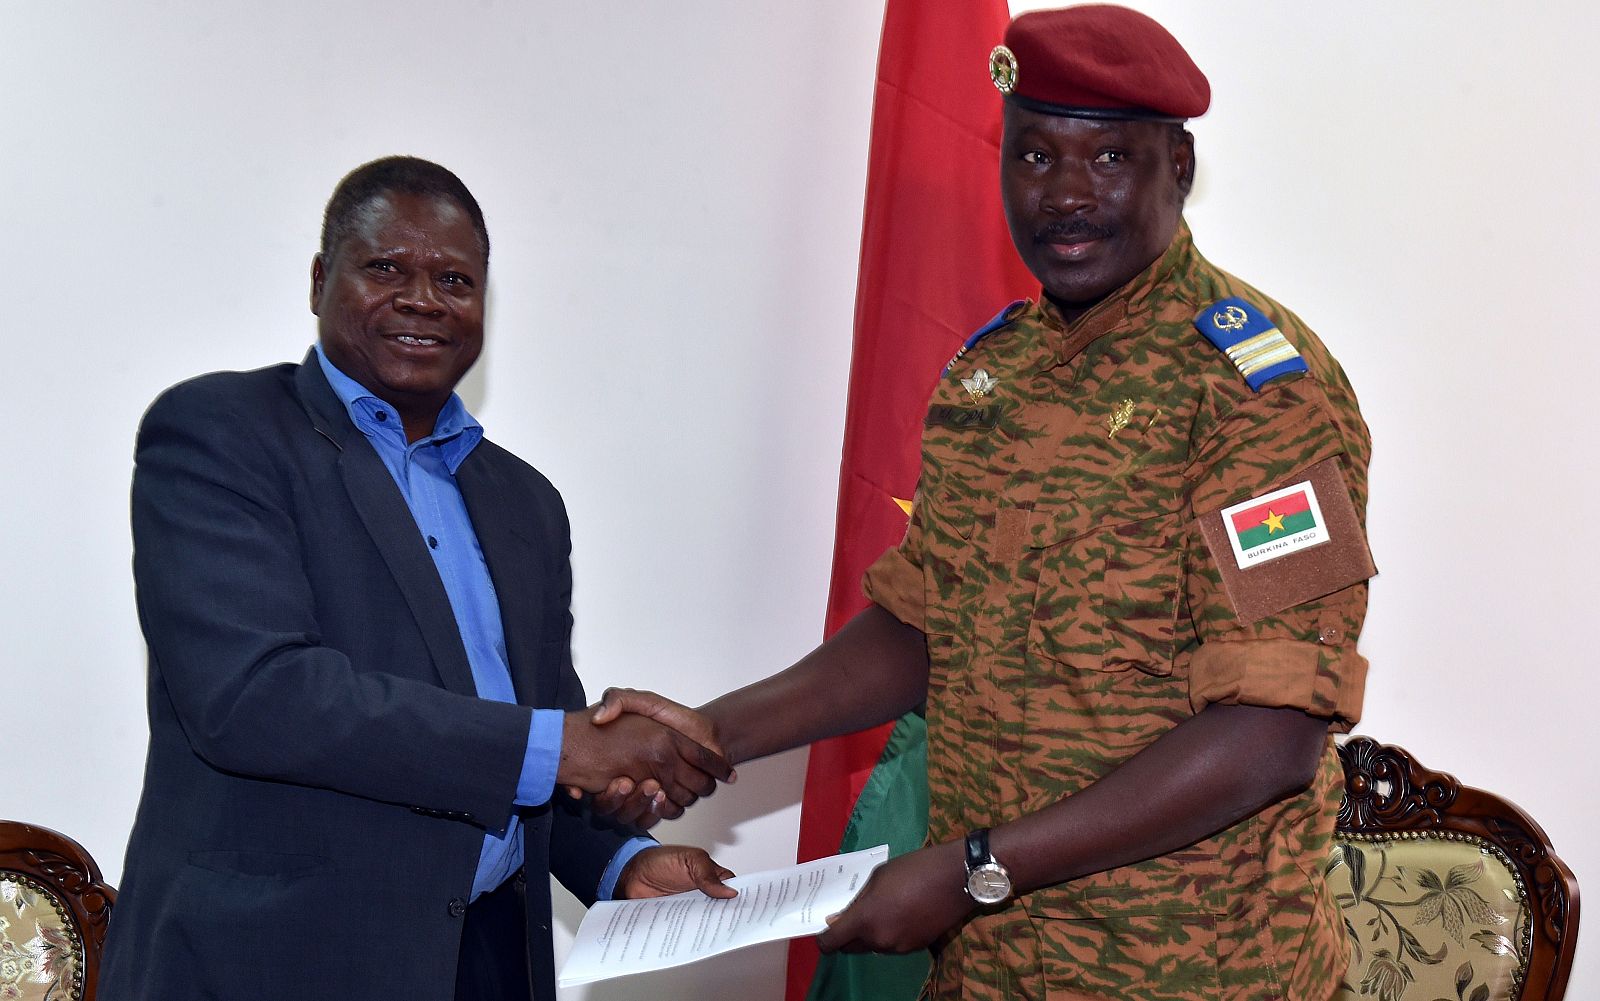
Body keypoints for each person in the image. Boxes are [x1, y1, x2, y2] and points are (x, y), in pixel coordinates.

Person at [592, 6, 1376, 1000]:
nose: (1066, 195)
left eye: (1108, 159)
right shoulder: (989, 379)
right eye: (1035, 156)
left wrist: (973, 867)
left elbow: (1271, 730)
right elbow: (921, 630)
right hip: (994, 968)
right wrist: (705, 732)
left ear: (1176, 167)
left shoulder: (1257, 387)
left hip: (1190, 973)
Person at [100, 156, 737, 1001]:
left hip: (485, 962)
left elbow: (538, 726)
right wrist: (566, 745)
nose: (423, 299)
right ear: (321, 279)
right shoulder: (220, 434)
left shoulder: (526, 502)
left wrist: (620, 860)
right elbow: (257, 697)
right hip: (274, 965)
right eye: (386, 268)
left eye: (453, 278)